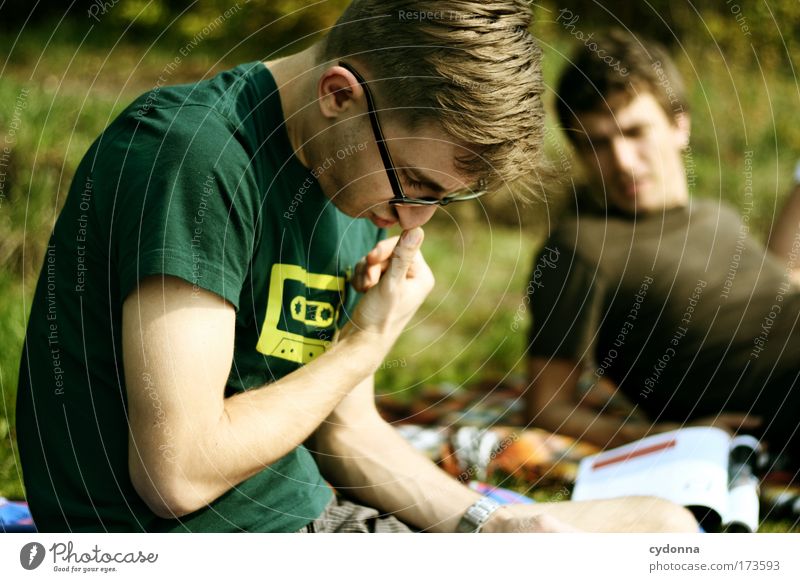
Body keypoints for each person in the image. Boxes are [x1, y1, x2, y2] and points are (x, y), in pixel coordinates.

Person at [16, 2, 696, 533]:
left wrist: (490, 522)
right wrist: (364, 345)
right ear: (339, 93)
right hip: (213, 542)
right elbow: (177, 474)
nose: (413, 221)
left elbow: (345, 431)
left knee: (663, 527)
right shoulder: (193, 159)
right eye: (414, 183)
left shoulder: (347, 173)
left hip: (310, 520)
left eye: (443, 200)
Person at [524, 29, 800, 460]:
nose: (622, 162)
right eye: (597, 143)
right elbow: (548, 406)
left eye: (635, 131)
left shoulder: (716, 215)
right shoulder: (579, 248)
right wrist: (667, 437)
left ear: (679, 125)